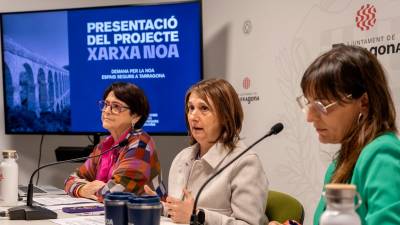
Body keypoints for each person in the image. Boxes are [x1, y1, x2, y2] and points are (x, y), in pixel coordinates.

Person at [270, 45, 400, 225]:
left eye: (321, 106)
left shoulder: (381, 155)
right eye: (308, 104)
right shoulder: (340, 162)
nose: (309, 117)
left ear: (363, 102)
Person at [145, 78, 268, 225]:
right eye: (191, 108)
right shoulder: (182, 158)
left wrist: (197, 217)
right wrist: (159, 207)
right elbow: (180, 214)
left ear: (225, 116)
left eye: (204, 108)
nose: (193, 117)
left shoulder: (245, 162)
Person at [64, 82, 165, 203]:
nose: (106, 110)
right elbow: (70, 180)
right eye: (105, 104)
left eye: (116, 106)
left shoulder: (140, 146)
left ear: (136, 116)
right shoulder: (105, 146)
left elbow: (113, 194)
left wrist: (87, 189)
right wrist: (82, 189)